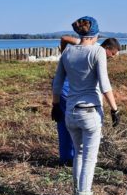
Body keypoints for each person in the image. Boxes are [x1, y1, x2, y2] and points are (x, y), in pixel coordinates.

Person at [52, 16, 120, 195]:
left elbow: (57, 83)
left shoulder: (68, 52)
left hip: (70, 112)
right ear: (96, 34)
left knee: (79, 156)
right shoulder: (98, 51)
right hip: (90, 112)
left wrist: (55, 106)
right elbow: (105, 84)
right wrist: (115, 109)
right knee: (89, 160)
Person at [52, 37, 121, 166]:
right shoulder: (90, 47)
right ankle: (70, 158)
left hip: (70, 89)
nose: (113, 57)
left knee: (67, 122)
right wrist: (114, 109)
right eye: (113, 54)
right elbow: (64, 38)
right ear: (106, 48)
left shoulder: (95, 52)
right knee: (68, 122)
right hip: (68, 89)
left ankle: (69, 158)